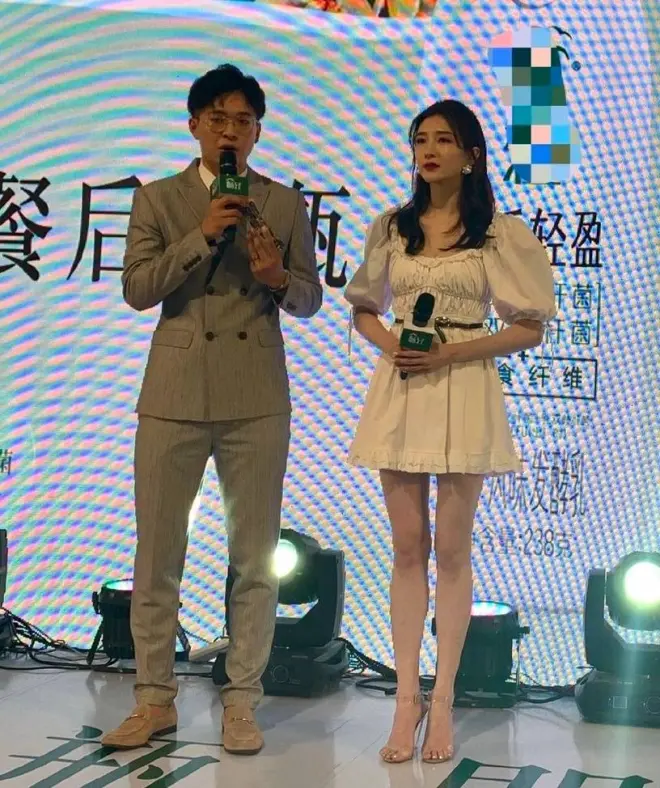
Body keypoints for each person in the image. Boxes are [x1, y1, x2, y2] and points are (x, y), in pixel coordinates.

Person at [102, 64, 322, 754]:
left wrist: (276, 278)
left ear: (258, 132)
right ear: (195, 124)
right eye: (219, 119)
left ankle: (242, 702)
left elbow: (311, 297)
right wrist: (201, 235)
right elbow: (138, 289)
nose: (232, 131)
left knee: (254, 560)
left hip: (256, 396)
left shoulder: (282, 202)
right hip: (173, 393)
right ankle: (153, 699)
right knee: (157, 555)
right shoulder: (158, 199)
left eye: (244, 121)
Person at [344, 99, 556, 764]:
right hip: (403, 388)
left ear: (471, 155)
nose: (429, 151)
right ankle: (405, 699)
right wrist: (394, 347)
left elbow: (529, 326)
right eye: (420, 140)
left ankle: (443, 701)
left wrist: (449, 353)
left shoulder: (497, 232)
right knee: (407, 547)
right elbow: (363, 308)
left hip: (464, 385)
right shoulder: (392, 226)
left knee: (452, 551)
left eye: (443, 140)